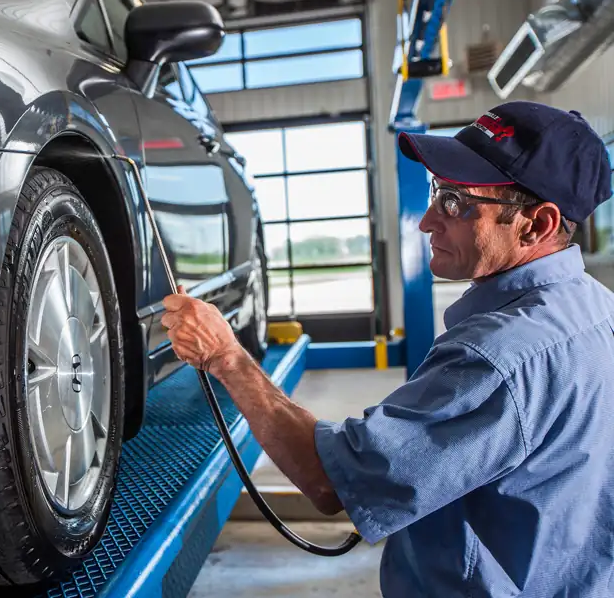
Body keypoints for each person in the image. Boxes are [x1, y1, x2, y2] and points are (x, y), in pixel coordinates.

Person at [161, 101, 614, 597]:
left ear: (536, 225)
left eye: (455, 202)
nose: (427, 221)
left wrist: (225, 357)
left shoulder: (498, 358)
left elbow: (330, 481)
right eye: (437, 191)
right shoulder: (599, 309)